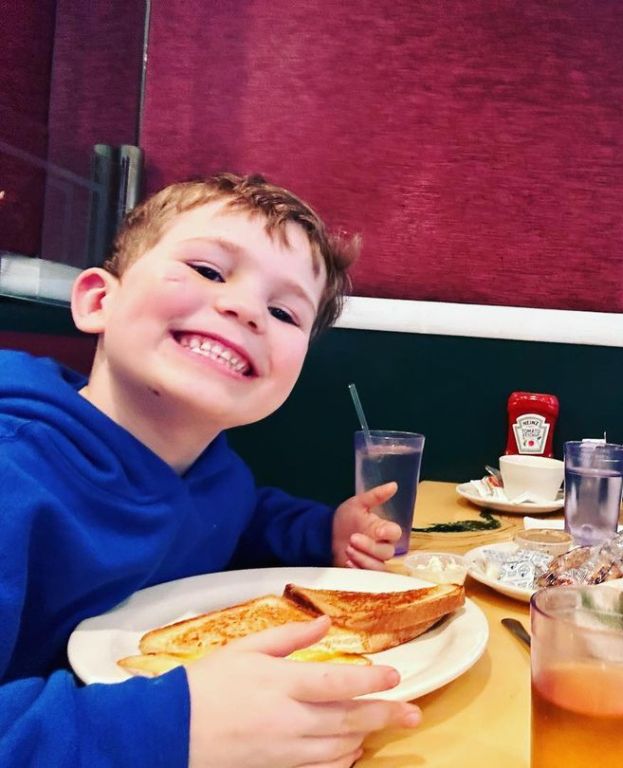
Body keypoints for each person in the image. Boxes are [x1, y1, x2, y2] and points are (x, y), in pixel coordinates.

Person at [0, 174, 422, 767]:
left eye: (282, 310)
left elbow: (240, 516)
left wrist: (323, 531)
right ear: (99, 300)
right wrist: (177, 727)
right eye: (208, 270)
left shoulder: (216, 474)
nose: (245, 308)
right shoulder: (13, 473)